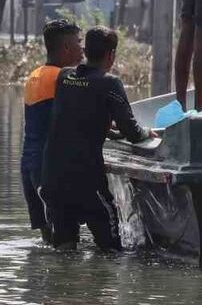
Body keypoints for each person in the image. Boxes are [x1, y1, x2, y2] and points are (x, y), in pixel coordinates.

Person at [41, 27, 153, 250]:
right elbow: (132, 132)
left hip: (53, 178)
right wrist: (148, 132)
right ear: (111, 55)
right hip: (86, 180)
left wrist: (107, 128)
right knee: (111, 249)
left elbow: (75, 116)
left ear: (85, 50)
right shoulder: (110, 83)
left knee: (65, 250)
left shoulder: (64, 77)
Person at [20, 19, 82, 244]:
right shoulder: (64, 78)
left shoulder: (34, 76)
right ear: (66, 47)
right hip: (51, 171)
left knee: (49, 242)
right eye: (78, 42)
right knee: (68, 245)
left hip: (29, 167)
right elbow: (80, 122)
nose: (82, 48)